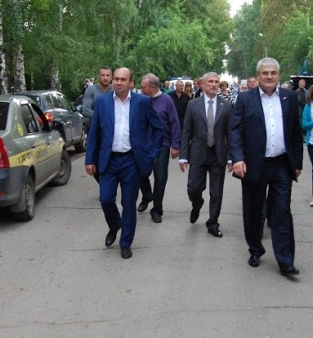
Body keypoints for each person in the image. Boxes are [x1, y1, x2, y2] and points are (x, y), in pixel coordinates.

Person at [228, 57, 303, 277]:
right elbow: (235, 131)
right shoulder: (245, 99)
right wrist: (237, 159)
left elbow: (295, 132)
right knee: (253, 211)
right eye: (265, 73)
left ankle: (285, 260)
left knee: (282, 212)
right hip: (253, 164)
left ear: (278, 75)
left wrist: (297, 163)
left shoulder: (289, 97)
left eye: (273, 73)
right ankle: (255, 249)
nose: (269, 77)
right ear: (258, 76)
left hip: (281, 164)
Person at [85, 67, 164, 259]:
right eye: (116, 79)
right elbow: (94, 133)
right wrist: (90, 159)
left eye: (123, 79)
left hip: (131, 160)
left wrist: (153, 153)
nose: (119, 82)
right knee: (106, 199)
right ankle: (115, 225)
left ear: (131, 83)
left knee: (128, 203)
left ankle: (125, 242)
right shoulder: (102, 102)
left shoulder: (142, 102)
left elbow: (158, 128)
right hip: (108, 160)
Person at [179, 72, 232, 238]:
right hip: (197, 153)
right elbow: (186, 130)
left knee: (216, 192)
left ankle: (213, 223)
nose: (214, 85)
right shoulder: (193, 104)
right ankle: (197, 204)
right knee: (193, 188)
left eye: (216, 82)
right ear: (203, 84)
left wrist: (231, 156)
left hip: (218, 154)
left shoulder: (226, 105)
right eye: (210, 82)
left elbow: (231, 133)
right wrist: (183, 155)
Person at [137, 73, 181, 223]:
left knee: (160, 178)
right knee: (140, 175)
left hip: (162, 144)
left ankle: (156, 210)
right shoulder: (141, 100)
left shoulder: (166, 100)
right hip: (143, 145)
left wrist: (175, 145)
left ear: (153, 87)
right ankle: (147, 196)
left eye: (143, 87)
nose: (141, 89)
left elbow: (174, 123)